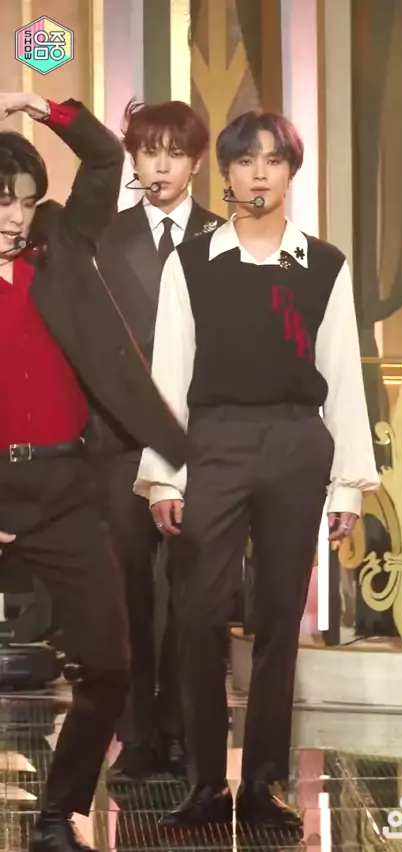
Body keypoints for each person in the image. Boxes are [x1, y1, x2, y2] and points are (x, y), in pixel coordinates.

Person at [134, 110, 380, 833]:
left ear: (291, 172)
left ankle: (265, 781)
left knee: (278, 617)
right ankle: (206, 782)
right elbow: (169, 373)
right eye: (246, 161)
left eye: (274, 160)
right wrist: (165, 475)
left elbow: (342, 375)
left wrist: (348, 483)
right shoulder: (192, 264)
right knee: (200, 613)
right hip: (213, 442)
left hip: (297, 442)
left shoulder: (322, 266)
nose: (260, 173)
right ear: (228, 173)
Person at [0, 91, 188, 852]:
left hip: (65, 490)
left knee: (109, 667)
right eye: (1, 201)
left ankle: (58, 815)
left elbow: (107, 159)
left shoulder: (60, 244)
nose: (15, 217)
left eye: (23, 201)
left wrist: (38, 104)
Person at [95, 99, 224, 783]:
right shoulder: (102, 238)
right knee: (129, 596)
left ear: (197, 162)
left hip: (197, 441)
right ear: (134, 159)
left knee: (191, 594)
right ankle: (136, 734)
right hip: (119, 441)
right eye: (149, 151)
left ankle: (178, 730)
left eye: (175, 152)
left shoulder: (223, 238)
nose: (161, 165)